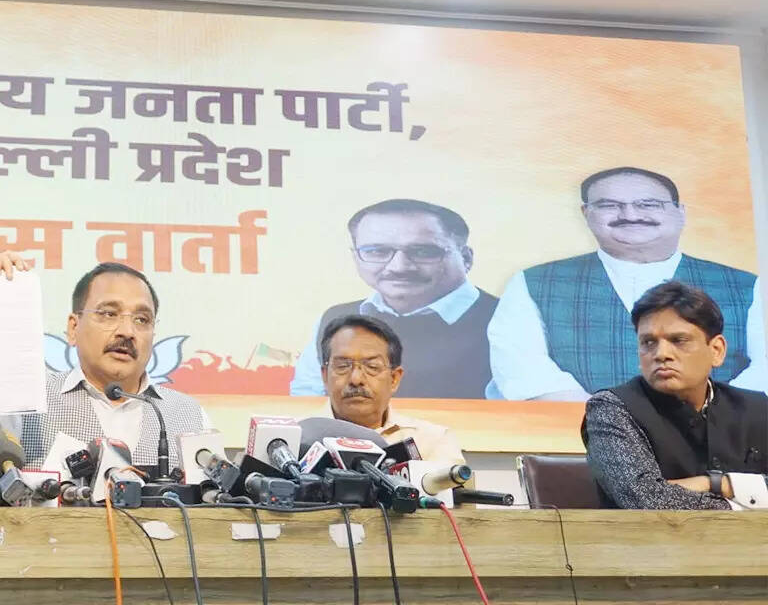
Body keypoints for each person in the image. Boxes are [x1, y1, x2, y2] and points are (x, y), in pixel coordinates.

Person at [0, 252, 211, 470]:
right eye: (109, 314)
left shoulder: (190, 416)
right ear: (73, 328)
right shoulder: (25, 401)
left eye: (142, 319)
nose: (127, 331)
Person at [489, 167, 765, 400]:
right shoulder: (534, 283)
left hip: (718, 438)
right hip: (580, 437)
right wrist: (607, 423)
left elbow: (763, 371)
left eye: (649, 204)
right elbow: (523, 369)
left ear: (680, 212)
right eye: (609, 205)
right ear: (586, 213)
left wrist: (709, 416)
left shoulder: (747, 286)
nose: (630, 215)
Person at [582, 281, 768, 509]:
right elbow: (647, 502)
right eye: (648, 342)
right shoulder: (612, 409)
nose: (661, 354)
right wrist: (744, 502)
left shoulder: (758, 408)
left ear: (716, 351)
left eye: (678, 340)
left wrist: (717, 483)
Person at [290, 199, 497, 398]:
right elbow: (307, 401)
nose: (399, 267)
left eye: (423, 252)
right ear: (355, 257)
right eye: (377, 251)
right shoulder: (336, 318)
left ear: (466, 258)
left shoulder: (503, 320)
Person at [317, 314, 466, 464]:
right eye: (342, 366)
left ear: (394, 378)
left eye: (372, 366)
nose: (356, 379)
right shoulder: (303, 439)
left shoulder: (432, 441)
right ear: (324, 376)